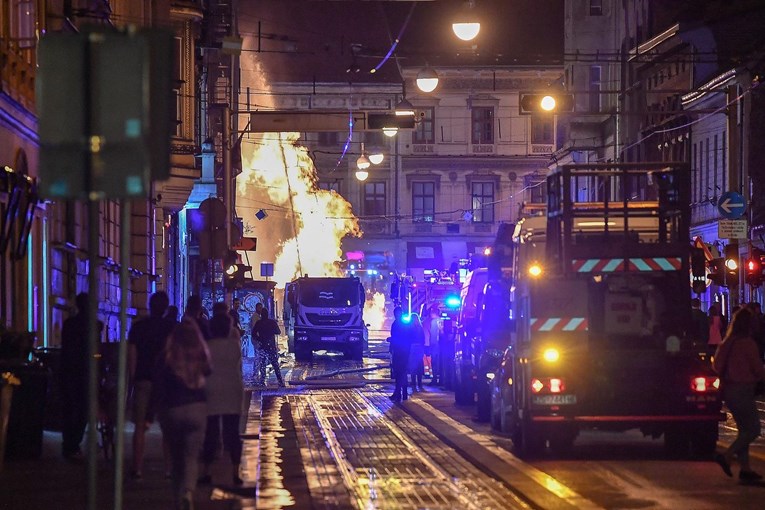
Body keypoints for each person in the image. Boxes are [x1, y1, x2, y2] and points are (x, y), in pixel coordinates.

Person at [153, 318, 212, 510]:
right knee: (191, 456)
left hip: (172, 410)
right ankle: (188, 491)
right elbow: (208, 372)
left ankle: (177, 501)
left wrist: (151, 413)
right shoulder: (201, 353)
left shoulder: (166, 356)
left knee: (176, 457)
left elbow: (158, 385)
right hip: (196, 408)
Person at [712, 307, 765, 482]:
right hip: (744, 389)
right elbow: (758, 369)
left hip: (729, 391)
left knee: (744, 430)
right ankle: (727, 455)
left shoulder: (727, 343)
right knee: (754, 429)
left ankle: (746, 469)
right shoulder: (748, 344)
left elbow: (717, 366)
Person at [127, 291, 176, 480]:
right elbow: (173, 355)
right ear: (165, 308)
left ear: (149, 305)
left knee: (140, 426)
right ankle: (169, 469)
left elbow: (132, 355)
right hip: (165, 381)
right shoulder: (171, 327)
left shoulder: (138, 328)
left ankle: (137, 468)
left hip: (143, 379)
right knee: (167, 427)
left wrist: (133, 379)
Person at [199, 302, 244, 486]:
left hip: (211, 390)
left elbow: (203, 368)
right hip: (233, 390)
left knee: (210, 432)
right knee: (233, 433)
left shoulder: (206, 346)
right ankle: (235, 472)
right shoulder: (234, 347)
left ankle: (207, 472)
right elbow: (238, 366)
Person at [60, 292, 103, 461]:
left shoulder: (69, 324)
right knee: (82, 410)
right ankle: (73, 444)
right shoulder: (93, 325)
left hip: (69, 371)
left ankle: (69, 444)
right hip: (85, 372)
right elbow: (96, 351)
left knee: (70, 409)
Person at [251, 307, 285, 387]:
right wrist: (271, 332)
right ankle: (280, 381)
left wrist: (259, 339)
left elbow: (253, 334)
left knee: (262, 364)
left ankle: (262, 381)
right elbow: (278, 331)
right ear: (267, 314)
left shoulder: (259, 323)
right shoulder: (272, 322)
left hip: (262, 345)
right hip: (271, 346)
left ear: (261, 315)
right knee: (275, 364)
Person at [389, 306, 410, 402]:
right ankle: (403, 394)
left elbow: (395, 337)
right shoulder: (405, 324)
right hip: (405, 351)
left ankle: (398, 394)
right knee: (403, 373)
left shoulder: (395, 324)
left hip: (398, 352)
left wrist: (391, 342)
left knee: (398, 373)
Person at [408, 313, 426, 392]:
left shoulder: (410, 328)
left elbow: (408, 338)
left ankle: (413, 382)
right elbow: (423, 338)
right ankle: (419, 382)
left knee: (413, 365)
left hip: (412, 347)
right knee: (419, 364)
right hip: (419, 347)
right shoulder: (420, 327)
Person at [424, 305, 441, 385]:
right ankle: (441, 380)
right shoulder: (441, 321)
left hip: (434, 345)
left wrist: (430, 345)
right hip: (442, 346)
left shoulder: (433, 322)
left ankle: (434, 380)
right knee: (440, 364)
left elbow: (432, 335)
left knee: (434, 363)